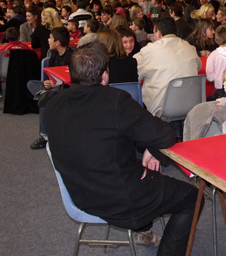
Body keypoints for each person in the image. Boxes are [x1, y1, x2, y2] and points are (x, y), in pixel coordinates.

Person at [45, 42, 200, 255]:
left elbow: (96, 141)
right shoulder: (115, 101)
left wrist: (149, 150)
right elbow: (165, 135)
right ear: (105, 75)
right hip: (120, 201)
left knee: (137, 167)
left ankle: (143, 229)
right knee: (191, 196)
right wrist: (152, 150)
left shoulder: (54, 104)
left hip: (81, 194)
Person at [134, 16, 201, 118]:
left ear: (158, 33)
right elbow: (198, 67)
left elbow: (134, 74)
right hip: (191, 104)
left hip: (160, 109)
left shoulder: (148, 51)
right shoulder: (189, 47)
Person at [28, 27, 73, 149]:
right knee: (31, 83)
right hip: (53, 86)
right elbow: (52, 73)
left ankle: (44, 135)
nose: (48, 40)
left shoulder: (72, 57)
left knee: (45, 101)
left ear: (57, 42)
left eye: (50, 38)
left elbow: (73, 79)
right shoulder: (53, 54)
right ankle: (43, 93)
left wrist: (57, 84)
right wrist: (48, 82)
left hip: (64, 87)